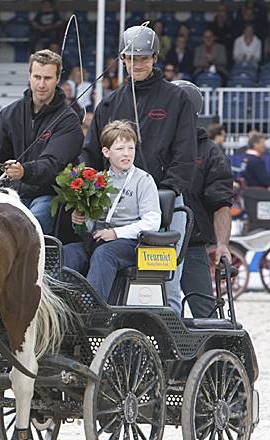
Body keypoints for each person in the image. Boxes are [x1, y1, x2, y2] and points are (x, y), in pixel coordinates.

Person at [82, 25, 197, 315]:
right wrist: (85, 191)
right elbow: (92, 154)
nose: (137, 63)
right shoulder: (110, 103)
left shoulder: (176, 99)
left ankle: (171, 331)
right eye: (131, 58)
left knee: (168, 285)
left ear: (155, 58)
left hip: (166, 202)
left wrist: (167, 192)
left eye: (144, 58)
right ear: (122, 59)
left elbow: (185, 152)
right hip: (119, 204)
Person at [0, 49, 83, 233]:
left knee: (27, 226)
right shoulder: (8, 115)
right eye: (37, 77)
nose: (41, 84)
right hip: (11, 193)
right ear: (29, 75)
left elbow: (52, 164)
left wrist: (24, 171)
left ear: (58, 78)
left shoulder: (68, 121)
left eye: (47, 78)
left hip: (48, 196)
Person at [64, 121, 161, 302]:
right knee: (68, 252)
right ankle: (63, 305)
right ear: (106, 152)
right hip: (100, 239)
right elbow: (93, 224)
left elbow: (152, 222)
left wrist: (116, 233)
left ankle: (91, 307)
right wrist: (81, 220)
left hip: (132, 243)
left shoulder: (144, 180)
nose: (127, 154)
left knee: (105, 254)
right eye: (120, 149)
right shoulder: (98, 180)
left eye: (131, 148)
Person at [172, 81, 234, 318]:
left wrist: (222, 244)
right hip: (152, 244)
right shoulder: (149, 145)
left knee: (205, 314)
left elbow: (221, 202)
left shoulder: (210, 153)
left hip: (192, 245)